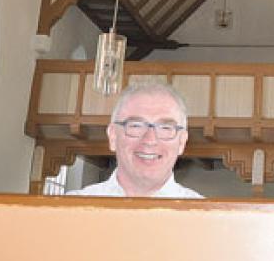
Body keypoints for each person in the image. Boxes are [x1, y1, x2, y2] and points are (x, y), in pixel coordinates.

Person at [68, 82, 202, 198]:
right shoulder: (68, 210)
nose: (150, 140)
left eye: (165, 128)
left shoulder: (206, 217)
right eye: (136, 126)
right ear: (113, 136)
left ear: (182, 142)